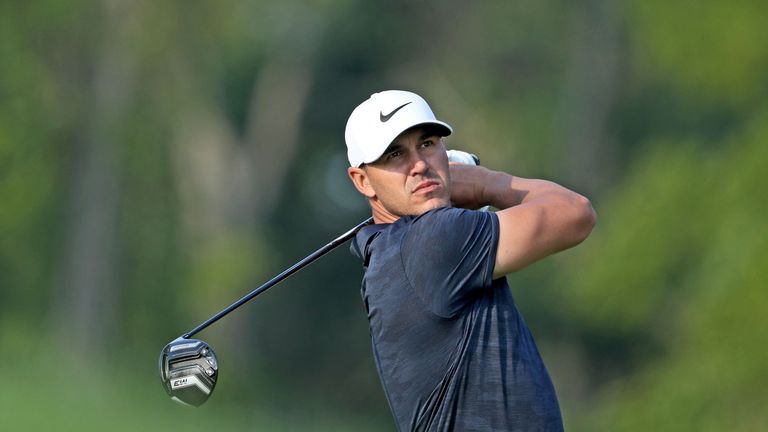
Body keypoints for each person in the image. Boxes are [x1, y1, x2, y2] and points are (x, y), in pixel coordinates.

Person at [345, 90, 596, 431]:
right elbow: (575, 213)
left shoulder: (389, 251)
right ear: (363, 181)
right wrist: (485, 183)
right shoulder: (432, 240)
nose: (419, 165)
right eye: (395, 155)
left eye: (427, 144)